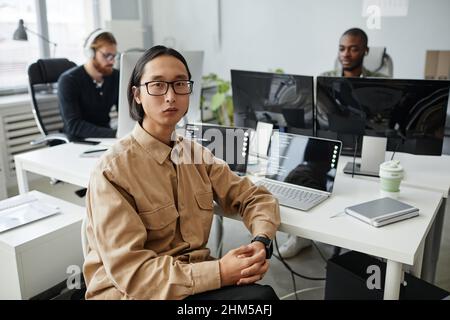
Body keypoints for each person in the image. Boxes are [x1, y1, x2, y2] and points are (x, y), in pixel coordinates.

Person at [83, 45, 281, 300]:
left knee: (261, 298)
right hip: (134, 293)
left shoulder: (195, 154)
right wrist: (220, 271)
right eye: (157, 85)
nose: (170, 96)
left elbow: (255, 197)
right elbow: (133, 275)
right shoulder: (112, 172)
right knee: (260, 301)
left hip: (192, 281)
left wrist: (260, 242)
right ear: (137, 95)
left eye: (179, 84)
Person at [278, 27, 388, 259]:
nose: (346, 54)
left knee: (372, 183)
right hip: (331, 137)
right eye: (342, 48)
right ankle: (301, 236)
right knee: (303, 170)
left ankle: (367, 241)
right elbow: (315, 113)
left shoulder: (380, 82)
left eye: (353, 48)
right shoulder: (325, 78)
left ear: (365, 51)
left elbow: (385, 119)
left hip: (366, 141)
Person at [58, 29, 119, 141]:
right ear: (90, 53)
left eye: (114, 56)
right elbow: (74, 125)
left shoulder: (115, 76)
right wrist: (115, 134)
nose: (112, 61)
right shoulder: (69, 80)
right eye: (107, 55)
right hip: (78, 141)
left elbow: (125, 112)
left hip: (107, 139)